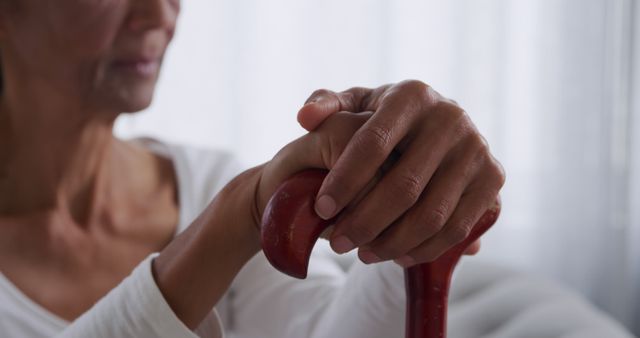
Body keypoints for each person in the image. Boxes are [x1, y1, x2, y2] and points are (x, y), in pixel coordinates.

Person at [0, 0, 506, 337]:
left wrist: (405, 202)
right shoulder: (229, 202)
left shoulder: (204, 180)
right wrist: (240, 215)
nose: (158, 13)